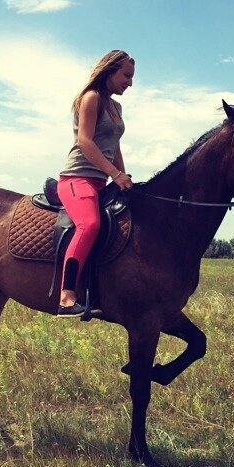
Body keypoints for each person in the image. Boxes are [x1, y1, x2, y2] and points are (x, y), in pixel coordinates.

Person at [56, 50, 135, 317]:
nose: (130, 82)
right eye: (126, 75)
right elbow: (85, 143)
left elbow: (115, 147)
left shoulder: (116, 106)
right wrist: (115, 174)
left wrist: (124, 177)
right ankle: (66, 297)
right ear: (110, 70)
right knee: (89, 224)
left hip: (101, 181)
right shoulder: (91, 98)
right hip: (76, 179)